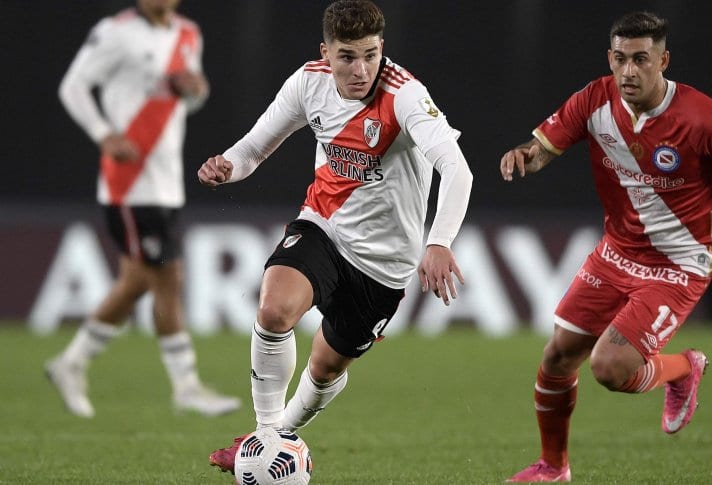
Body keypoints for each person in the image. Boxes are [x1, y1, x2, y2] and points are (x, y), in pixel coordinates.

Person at [500, 11, 712, 482]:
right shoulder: (594, 100)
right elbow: (543, 150)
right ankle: (553, 467)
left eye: (640, 59)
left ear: (663, 61)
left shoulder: (704, 118)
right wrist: (525, 155)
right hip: (618, 250)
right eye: (620, 58)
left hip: (682, 260)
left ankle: (683, 369)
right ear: (609, 58)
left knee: (609, 366)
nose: (628, 71)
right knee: (557, 356)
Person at [199, 0, 473, 474]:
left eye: (370, 55)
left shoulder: (405, 95)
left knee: (325, 368)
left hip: (385, 265)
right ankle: (264, 439)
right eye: (347, 56)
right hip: (323, 227)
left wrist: (439, 241)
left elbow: (457, 169)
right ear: (326, 53)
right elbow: (254, 149)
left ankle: (276, 435)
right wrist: (227, 166)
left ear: (381, 48)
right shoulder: (308, 83)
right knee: (274, 310)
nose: (361, 69)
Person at [47, 0, 241, 418]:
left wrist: (195, 91)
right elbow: (73, 86)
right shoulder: (115, 32)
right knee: (169, 276)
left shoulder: (189, 33)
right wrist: (104, 135)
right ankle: (186, 386)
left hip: (166, 182)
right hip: (130, 182)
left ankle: (71, 363)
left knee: (136, 282)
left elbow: (191, 101)